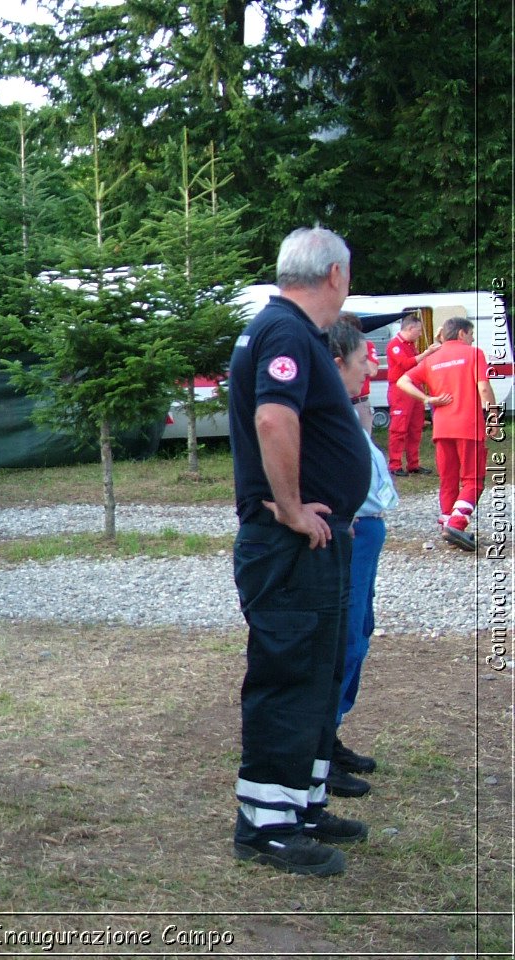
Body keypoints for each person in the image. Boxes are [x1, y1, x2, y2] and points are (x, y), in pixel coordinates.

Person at [227, 226, 371, 877]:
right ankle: (266, 825)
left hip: (316, 541)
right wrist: (288, 507)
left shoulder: (293, 332)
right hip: (290, 543)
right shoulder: (285, 331)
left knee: (316, 674)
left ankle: (303, 804)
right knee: (289, 677)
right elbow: (272, 419)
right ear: (334, 275)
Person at [327, 317, 398, 794]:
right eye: (362, 360)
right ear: (337, 364)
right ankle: (318, 746)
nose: (371, 367)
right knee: (345, 639)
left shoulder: (346, 405)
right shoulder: (320, 412)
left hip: (368, 530)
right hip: (351, 532)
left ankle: (328, 736)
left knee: (361, 630)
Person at [397, 316, 500, 552]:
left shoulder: (433, 358)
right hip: (469, 425)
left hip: (442, 428)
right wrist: (493, 416)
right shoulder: (474, 353)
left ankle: (446, 523)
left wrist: (426, 399)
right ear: (462, 333)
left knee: (448, 479)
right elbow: (483, 387)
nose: (473, 338)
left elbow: (403, 380)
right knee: (473, 480)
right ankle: (457, 522)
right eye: (471, 333)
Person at [385, 311, 440, 475]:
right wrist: (427, 353)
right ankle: (395, 465)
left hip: (415, 388)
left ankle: (413, 464)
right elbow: (406, 364)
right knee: (399, 429)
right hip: (400, 390)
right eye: (418, 331)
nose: (420, 334)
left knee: (416, 428)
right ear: (409, 328)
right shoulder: (394, 345)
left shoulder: (410, 345)